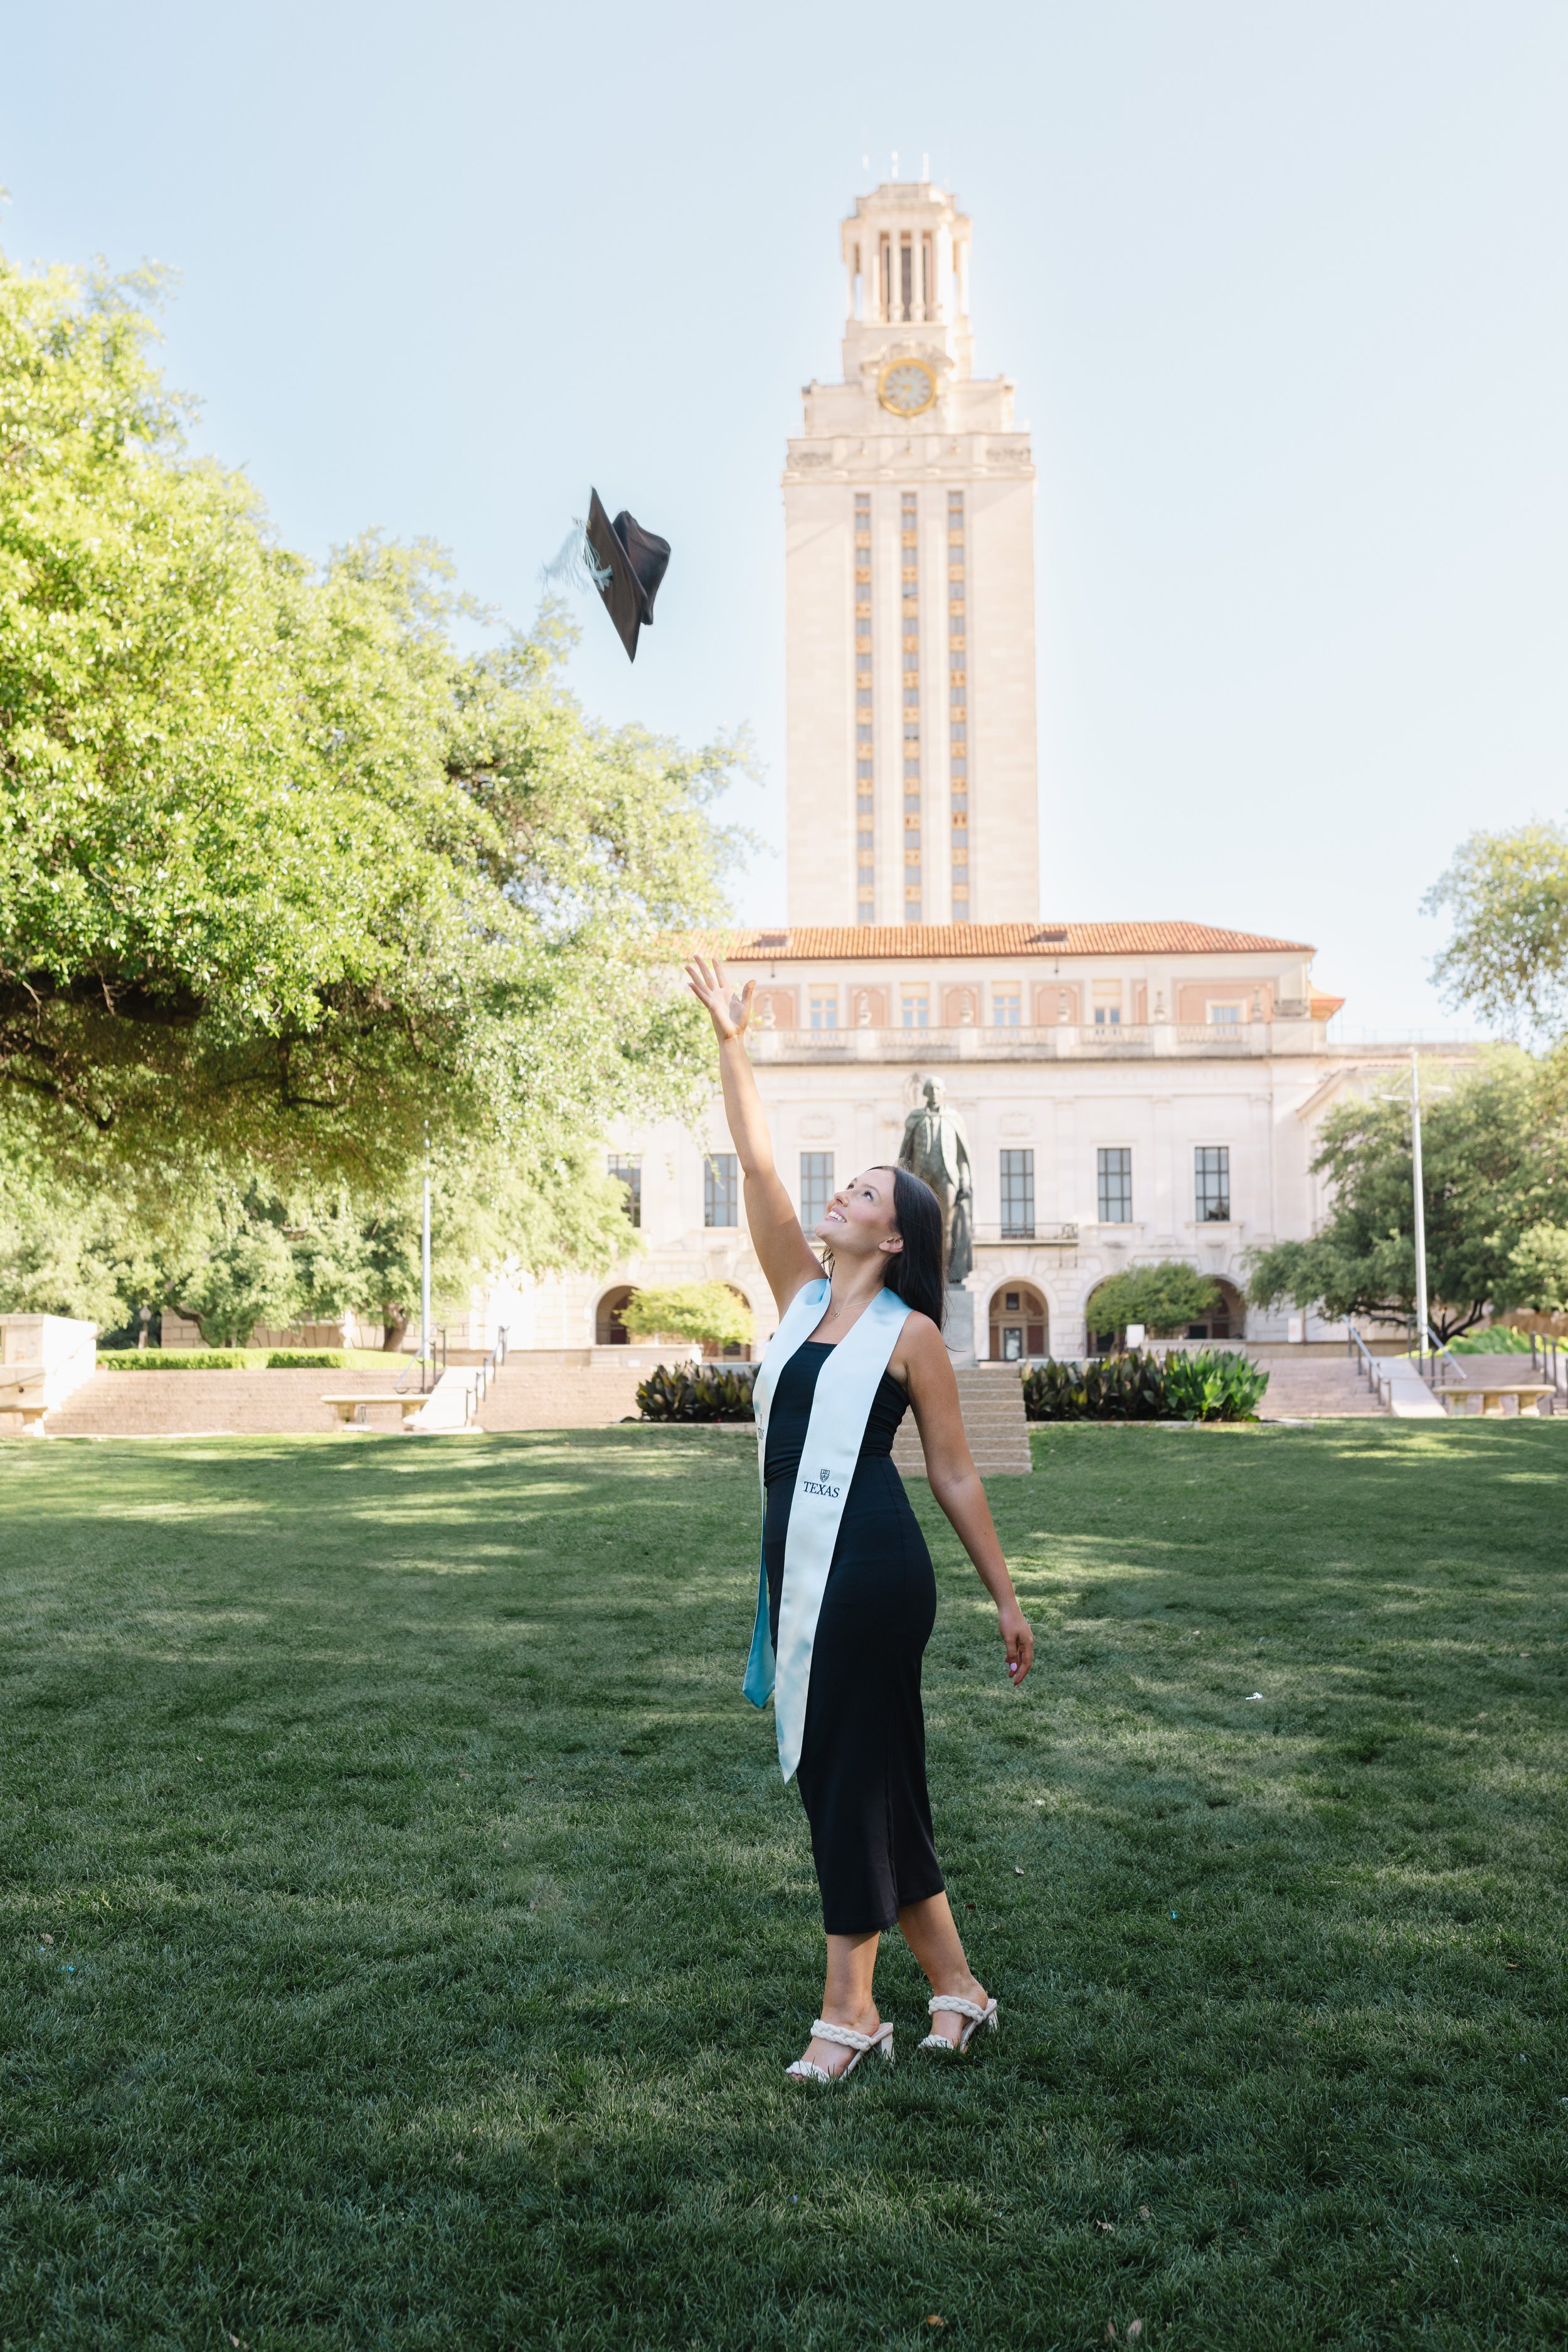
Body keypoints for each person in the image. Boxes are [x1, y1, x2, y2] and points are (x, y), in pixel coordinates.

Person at [686, 955, 1034, 2083]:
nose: (845, 1194)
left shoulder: (910, 1334)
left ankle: (849, 2007)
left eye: (870, 1193)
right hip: (800, 1560)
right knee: (875, 1779)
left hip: (876, 1572)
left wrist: (1007, 1596)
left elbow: (956, 1476)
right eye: (850, 1185)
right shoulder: (796, 1293)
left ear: (894, 1239)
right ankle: (958, 1989)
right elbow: (757, 1162)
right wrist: (734, 1039)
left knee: (844, 1778)